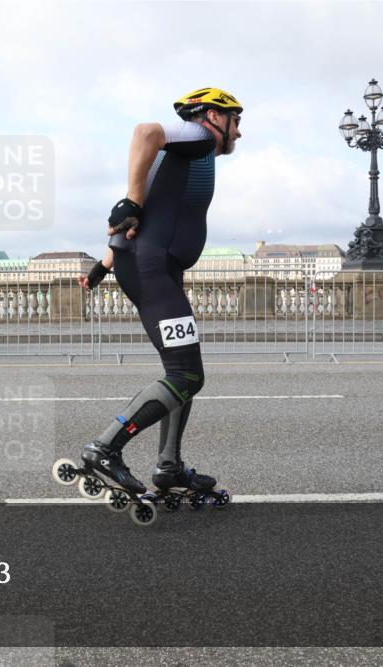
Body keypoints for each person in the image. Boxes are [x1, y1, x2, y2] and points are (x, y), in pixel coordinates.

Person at [76, 87, 243, 495]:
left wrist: (103, 266)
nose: (239, 133)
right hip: (152, 268)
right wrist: (131, 199)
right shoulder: (198, 136)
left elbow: (137, 221)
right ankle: (105, 448)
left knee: (183, 374)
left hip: (154, 267)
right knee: (186, 375)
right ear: (212, 116)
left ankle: (169, 466)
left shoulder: (188, 156)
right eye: (235, 120)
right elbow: (146, 130)